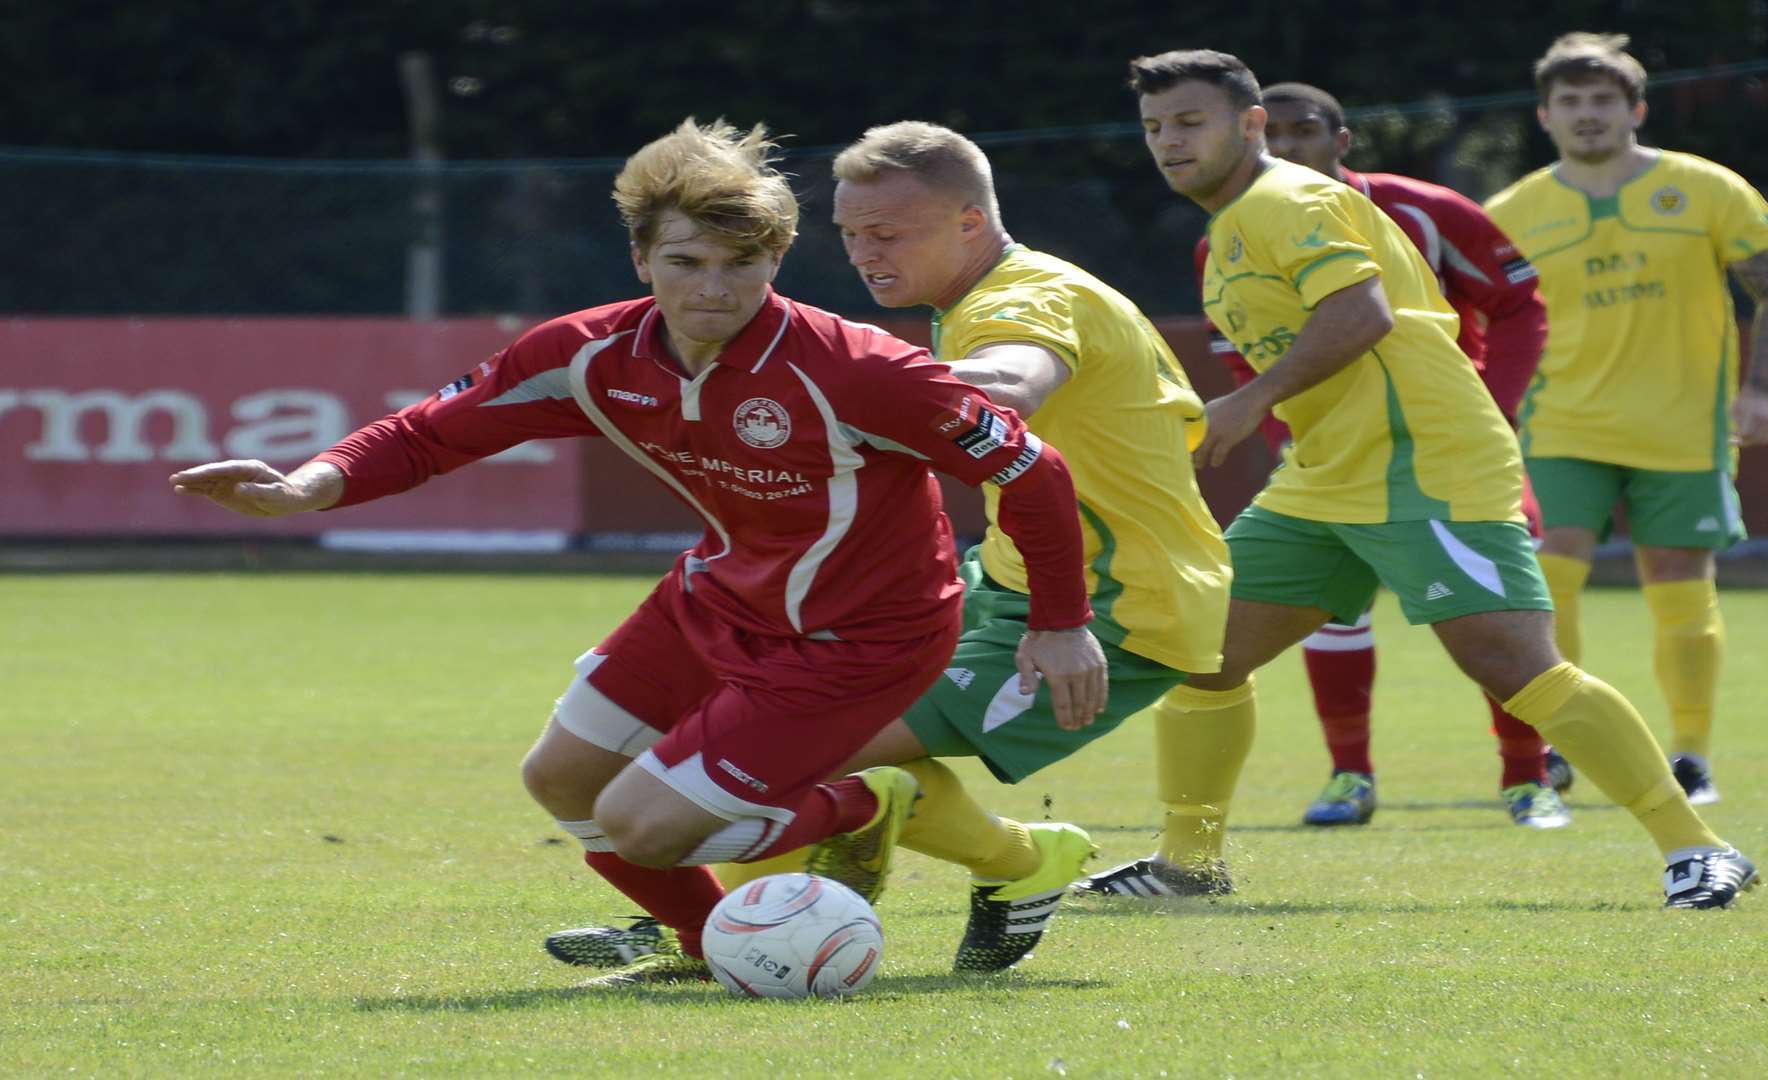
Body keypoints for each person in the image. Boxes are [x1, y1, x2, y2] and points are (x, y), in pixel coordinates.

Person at [169, 118, 1107, 986]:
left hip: (863, 637)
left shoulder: (858, 371)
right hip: (716, 600)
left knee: (640, 825)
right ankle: (711, 946)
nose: (713, 289)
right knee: (561, 781)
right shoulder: (590, 354)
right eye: (685, 261)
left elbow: (1032, 471)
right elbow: (433, 432)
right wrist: (308, 485)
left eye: (742, 264)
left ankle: (867, 806)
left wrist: (1062, 623)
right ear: (640, 258)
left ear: (777, 257)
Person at [543, 120, 1233, 974]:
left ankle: (1016, 862)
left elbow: (1017, 382)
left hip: (1122, 607)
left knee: (791, 754)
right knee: (743, 740)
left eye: (889, 233)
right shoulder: (974, 300)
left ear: (969, 224)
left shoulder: (1021, 301)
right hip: (1005, 582)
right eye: (851, 231)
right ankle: (718, 921)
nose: (866, 251)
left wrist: (854, 375)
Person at [1080, 48, 1757, 909]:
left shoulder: (1288, 198)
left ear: (1250, 126)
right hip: (1327, 474)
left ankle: (1699, 849)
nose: (1169, 142)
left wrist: (1249, 401)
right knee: (1204, 653)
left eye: (1190, 122)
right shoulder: (1228, 233)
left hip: (1425, 462)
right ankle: (1190, 865)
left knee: (1515, 665)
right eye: (1154, 128)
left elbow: (1362, 313)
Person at [1203, 80, 1565, 831]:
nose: (1291, 149)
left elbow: (1518, 303)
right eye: (1280, 135)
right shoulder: (1224, 236)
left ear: (1342, 142)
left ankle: (1529, 779)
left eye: (1307, 132)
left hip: (1441, 451)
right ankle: (1347, 776)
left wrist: (1494, 404)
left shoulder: (1422, 211)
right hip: (1327, 462)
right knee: (1237, 635)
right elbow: (1248, 356)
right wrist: (1286, 433)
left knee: (1499, 635)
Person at [1484, 33, 1768, 806]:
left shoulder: (1707, 188)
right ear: (1545, 115)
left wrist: (1761, 392)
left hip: (1683, 425)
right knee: (1550, 570)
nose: (1587, 115)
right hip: (1558, 423)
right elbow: (1474, 315)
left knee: (1679, 584)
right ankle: (1560, 740)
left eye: (1602, 101)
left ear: (1636, 109)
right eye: (1570, 102)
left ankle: (1691, 756)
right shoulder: (1511, 210)